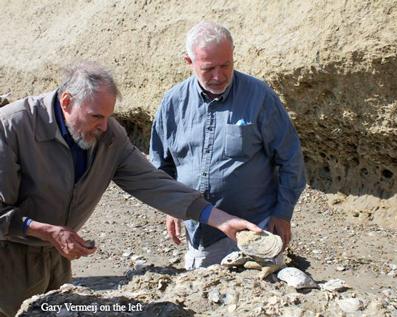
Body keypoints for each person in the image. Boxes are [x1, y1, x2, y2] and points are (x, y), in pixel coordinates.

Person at [0, 61, 260, 317]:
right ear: (67, 102)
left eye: (108, 116)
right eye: (96, 117)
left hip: (55, 259)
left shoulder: (108, 136)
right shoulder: (12, 127)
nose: (104, 126)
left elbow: (152, 183)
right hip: (7, 260)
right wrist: (44, 231)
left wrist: (221, 219)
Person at [150, 21, 306, 270]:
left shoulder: (260, 97)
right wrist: (172, 207)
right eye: (208, 68)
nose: (218, 76)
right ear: (188, 62)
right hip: (203, 235)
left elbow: (291, 159)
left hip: (256, 230)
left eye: (226, 65)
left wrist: (283, 213)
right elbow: (161, 166)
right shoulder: (173, 103)